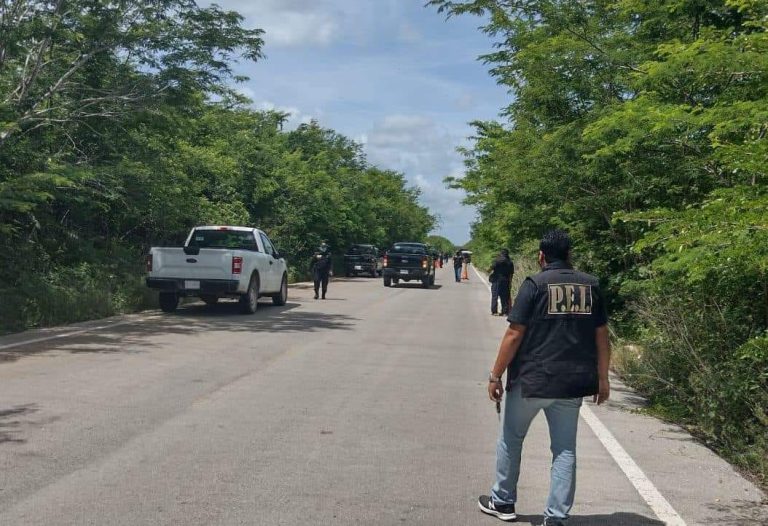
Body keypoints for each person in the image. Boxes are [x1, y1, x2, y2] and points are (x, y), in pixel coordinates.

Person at [478, 229, 611, 525]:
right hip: (572, 383)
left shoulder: (534, 285)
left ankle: (503, 501)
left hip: (532, 380)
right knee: (565, 450)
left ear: (541, 256)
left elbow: (514, 334)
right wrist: (603, 378)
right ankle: (557, 517)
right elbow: (601, 334)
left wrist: (495, 375)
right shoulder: (590, 286)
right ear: (569, 254)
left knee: (511, 439)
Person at [489, 249, 514, 316]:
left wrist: (489, 271)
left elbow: (491, 268)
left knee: (495, 295)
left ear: (501, 253)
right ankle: (504, 312)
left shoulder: (497, 260)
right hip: (505, 280)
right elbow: (511, 274)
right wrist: (510, 282)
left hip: (496, 280)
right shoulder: (510, 262)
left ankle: (494, 311)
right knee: (504, 296)